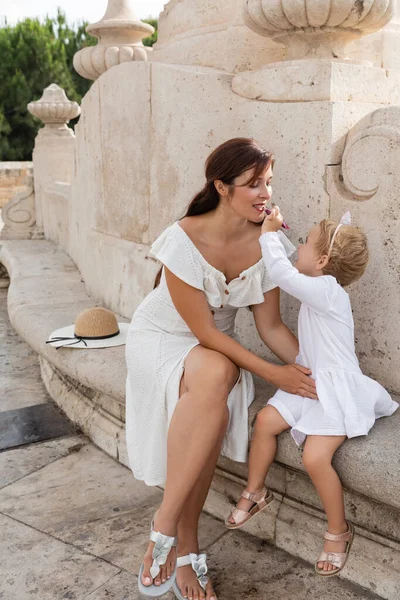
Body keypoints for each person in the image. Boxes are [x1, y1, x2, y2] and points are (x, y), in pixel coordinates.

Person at [125, 138, 317, 600]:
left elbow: (270, 327)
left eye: (268, 182)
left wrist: (320, 371)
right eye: (253, 185)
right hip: (162, 339)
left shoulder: (267, 242)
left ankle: (168, 532)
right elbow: (207, 334)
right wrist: (275, 376)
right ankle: (180, 542)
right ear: (221, 188)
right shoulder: (184, 237)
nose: (265, 194)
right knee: (218, 374)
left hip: (213, 353)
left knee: (215, 379)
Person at [226, 207, 398, 578]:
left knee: (315, 458)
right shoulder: (321, 286)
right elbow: (291, 267)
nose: (298, 246)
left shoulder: (328, 290)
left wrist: (269, 234)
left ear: (322, 261)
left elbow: (282, 272)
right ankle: (256, 491)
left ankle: (338, 530)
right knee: (266, 422)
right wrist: (272, 232)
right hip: (311, 380)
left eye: (304, 242)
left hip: (335, 388)